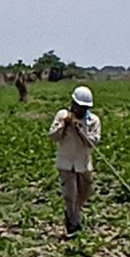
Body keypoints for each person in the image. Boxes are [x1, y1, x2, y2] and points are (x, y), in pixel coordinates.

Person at [48, 86, 101, 237]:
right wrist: (64, 125)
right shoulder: (62, 115)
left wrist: (80, 130)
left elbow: (92, 143)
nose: (81, 110)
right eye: (79, 106)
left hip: (83, 163)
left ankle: (73, 212)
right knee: (70, 194)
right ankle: (73, 224)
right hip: (66, 162)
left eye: (84, 108)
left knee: (85, 192)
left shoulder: (93, 121)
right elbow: (53, 136)